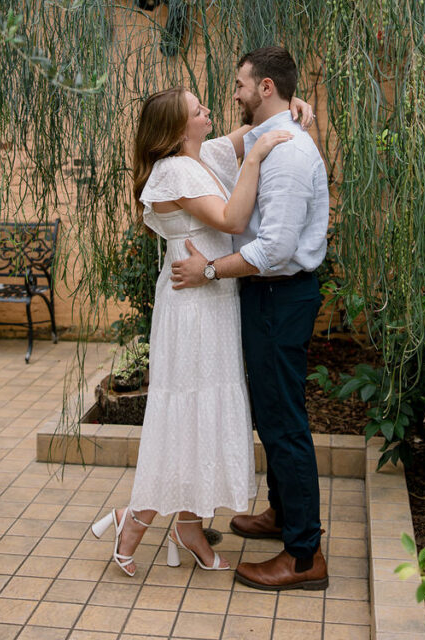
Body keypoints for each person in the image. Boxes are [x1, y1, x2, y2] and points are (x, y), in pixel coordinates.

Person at [92, 85, 313, 577]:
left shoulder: (205, 154)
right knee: (185, 414)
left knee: (207, 412)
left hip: (213, 299)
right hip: (192, 309)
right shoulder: (174, 170)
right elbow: (232, 217)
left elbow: (252, 130)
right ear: (177, 127)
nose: (209, 109)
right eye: (198, 109)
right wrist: (256, 157)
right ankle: (136, 519)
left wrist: (292, 111)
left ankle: (191, 525)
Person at [171, 46, 330, 592]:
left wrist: (210, 270)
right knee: (275, 412)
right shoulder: (274, 139)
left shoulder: (285, 155)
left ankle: (304, 555)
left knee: (284, 423)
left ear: (265, 88)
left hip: (279, 295)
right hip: (270, 298)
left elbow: (275, 249)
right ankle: (284, 515)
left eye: (240, 84)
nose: (232, 93)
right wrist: (290, 110)